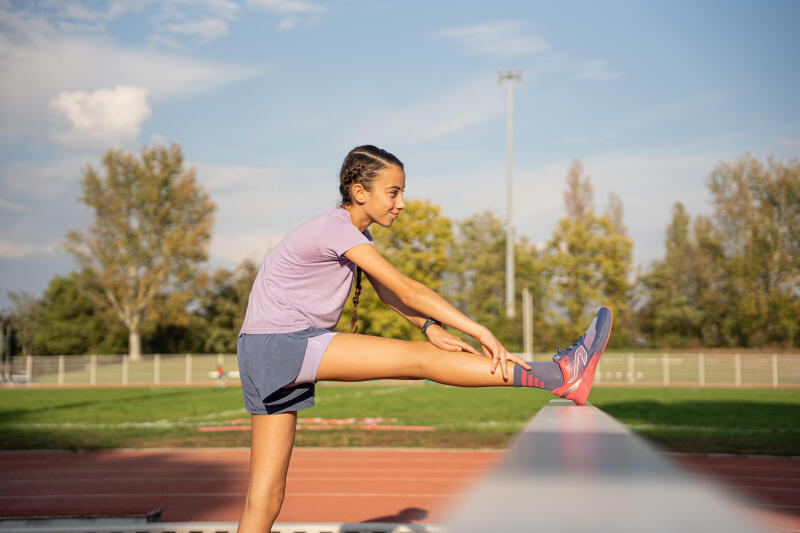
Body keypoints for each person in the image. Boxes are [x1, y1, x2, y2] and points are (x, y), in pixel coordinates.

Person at [235, 145, 613, 533]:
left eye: (402, 192)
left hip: (260, 349)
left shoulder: (350, 230)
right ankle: (561, 374)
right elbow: (407, 288)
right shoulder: (336, 227)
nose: (401, 203)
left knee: (265, 497)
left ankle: (561, 375)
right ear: (360, 192)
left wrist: (430, 327)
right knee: (421, 360)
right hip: (283, 344)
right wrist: (477, 329)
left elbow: (388, 293)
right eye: (393, 192)